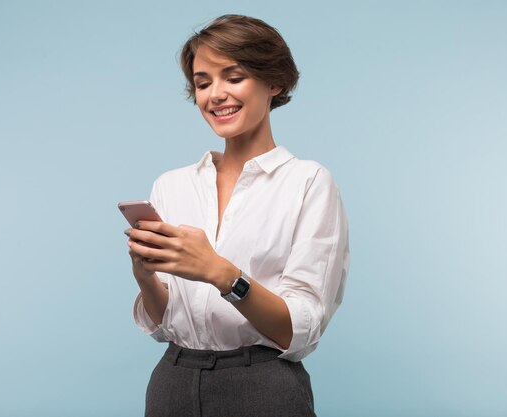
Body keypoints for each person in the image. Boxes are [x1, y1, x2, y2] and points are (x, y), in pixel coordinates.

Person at [124, 14, 349, 417]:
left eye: (234, 76)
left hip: (263, 386)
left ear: (274, 82)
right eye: (203, 82)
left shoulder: (308, 182)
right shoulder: (171, 186)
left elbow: (299, 330)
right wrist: (145, 277)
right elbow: (163, 325)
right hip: (173, 381)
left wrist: (221, 273)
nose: (215, 95)